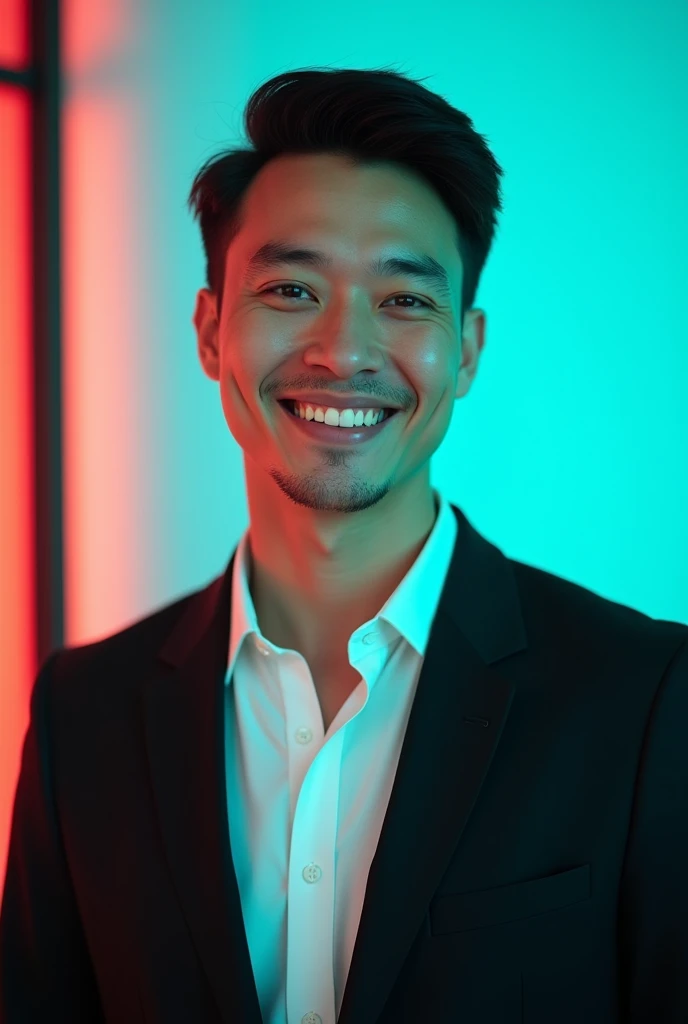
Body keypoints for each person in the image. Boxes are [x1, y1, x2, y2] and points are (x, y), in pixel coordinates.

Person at [1, 65, 686, 1024]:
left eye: (404, 301)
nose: (345, 350)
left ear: (469, 351)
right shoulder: (85, 717)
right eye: (290, 287)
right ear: (210, 332)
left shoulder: (646, 697)